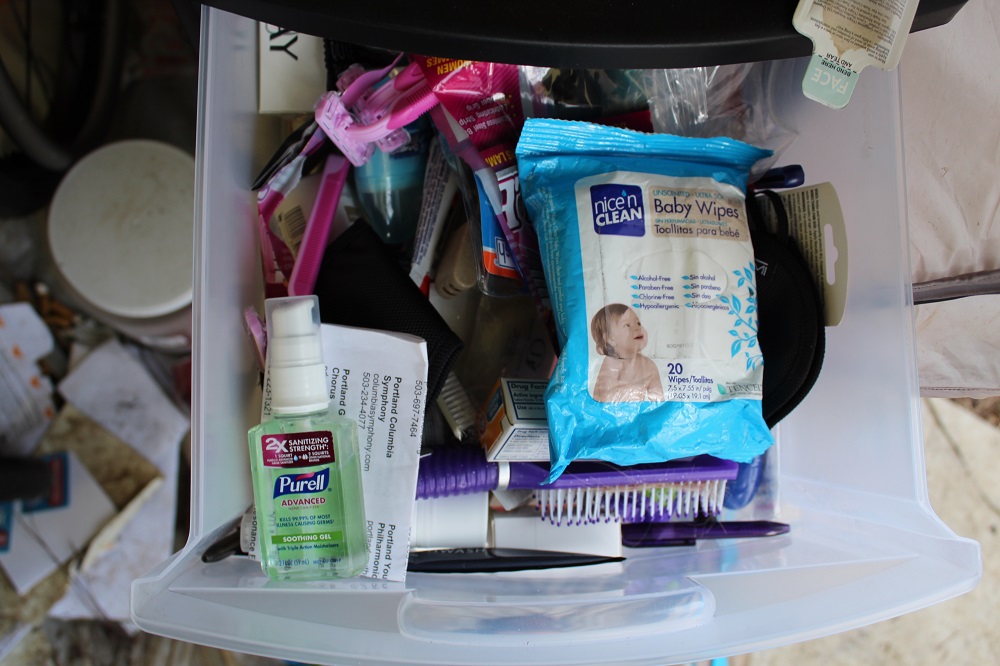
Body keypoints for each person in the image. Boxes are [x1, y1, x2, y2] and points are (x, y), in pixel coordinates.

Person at [590, 303, 664, 402]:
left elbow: (658, 399)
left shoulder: (649, 365)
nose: (638, 328)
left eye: (638, 323)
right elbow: (602, 402)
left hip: (639, 414)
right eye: (627, 325)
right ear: (610, 338)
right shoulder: (608, 368)